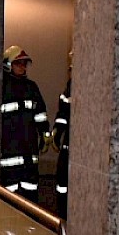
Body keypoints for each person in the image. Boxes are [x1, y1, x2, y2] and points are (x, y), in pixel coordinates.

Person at [0, 45, 51, 203]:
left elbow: (40, 114)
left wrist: (45, 134)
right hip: (9, 153)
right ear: (8, 65)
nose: (22, 67)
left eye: (24, 63)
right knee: (9, 198)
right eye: (18, 63)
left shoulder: (32, 87)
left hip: (29, 152)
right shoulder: (1, 88)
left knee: (31, 196)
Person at [52, 77, 71, 219]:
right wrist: (58, 132)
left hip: (77, 145)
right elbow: (63, 114)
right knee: (62, 184)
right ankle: (63, 215)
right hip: (68, 145)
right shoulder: (70, 86)